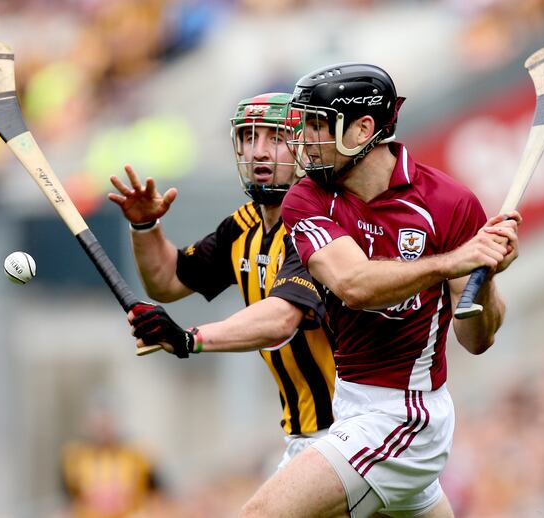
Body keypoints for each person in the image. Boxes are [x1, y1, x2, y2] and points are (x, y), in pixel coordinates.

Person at [239, 63, 522, 518]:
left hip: (405, 416)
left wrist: (485, 277)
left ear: (363, 128)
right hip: (349, 409)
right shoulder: (307, 197)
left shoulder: (449, 204)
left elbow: (477, 338)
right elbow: (354, 285)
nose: (304, 138)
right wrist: (457, 260)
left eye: (318, 124)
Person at [107, 92, 336, 469]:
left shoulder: (317, 223)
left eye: (275, 139)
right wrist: (145, 225)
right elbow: (166, 280)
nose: (258, 152)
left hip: (348, 433)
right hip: (308, 437)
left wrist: (187, 339)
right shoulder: (243, 227)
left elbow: (282, 318)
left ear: (304, 149)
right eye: (249, 138)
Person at [59, 389, 168, 518]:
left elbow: (160, 494)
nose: (103, 425)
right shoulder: (74, 457)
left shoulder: (140, 454)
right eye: (99, 420)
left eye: (108, 419)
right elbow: (67, 501)